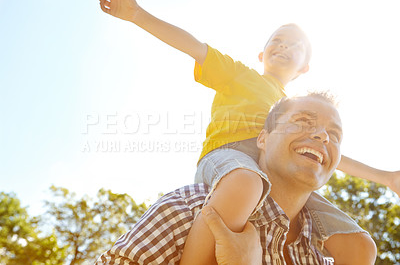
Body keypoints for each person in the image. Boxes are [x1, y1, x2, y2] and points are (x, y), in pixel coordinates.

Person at [98, 0, 399, 263]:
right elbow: (194, 47)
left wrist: (385, 177)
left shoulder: (298, 113)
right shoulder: (240, 75)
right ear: (262, 53)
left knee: (360, 246)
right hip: (230, 156)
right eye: (278, 41)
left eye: (296, 45)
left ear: (305, 67)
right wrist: (137, 14)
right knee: (245, 183)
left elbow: (325, 152)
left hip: (279, 175)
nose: (284, 46)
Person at [95, 93, 377, 264]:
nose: (322, 136)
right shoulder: (190, 209)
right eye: (303, 121)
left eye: (335, 135)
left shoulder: (324, 257)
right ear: (263, 139)